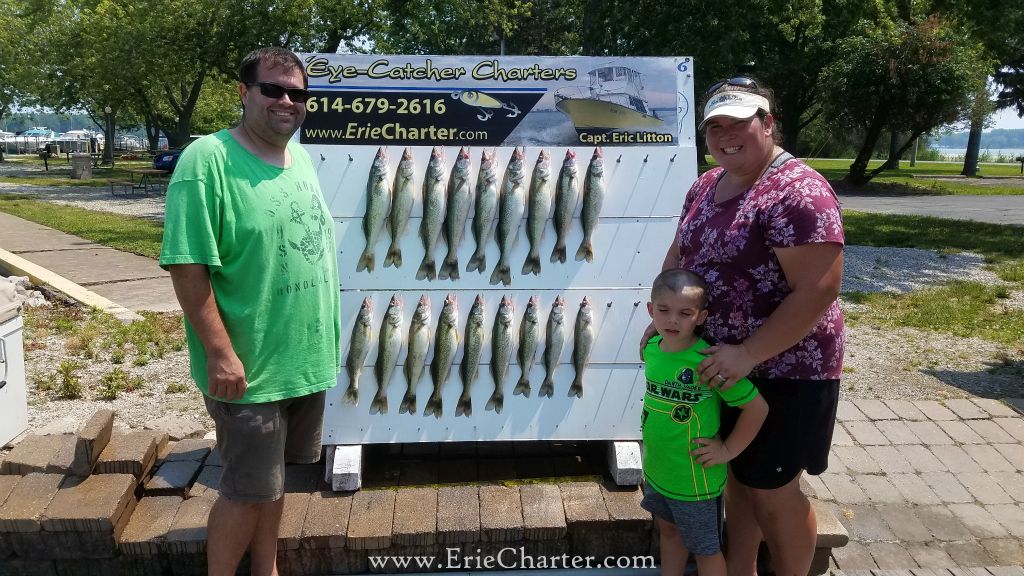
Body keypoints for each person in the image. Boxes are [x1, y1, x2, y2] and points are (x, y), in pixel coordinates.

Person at [643, 76, 845, 576]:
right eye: (715, 126)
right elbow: (680, 257)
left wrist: (748, 353)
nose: (725, 135)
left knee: (772, 490)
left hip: (786, 370)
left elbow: (820, 288)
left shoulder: (798, 190)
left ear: (768, 123)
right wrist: (666, 321)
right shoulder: (705, 185)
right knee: (734, 474)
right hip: (719, 364)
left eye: (740, 122)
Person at [159, 47, 340, 576]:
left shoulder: (297, 155)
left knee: (274, 481)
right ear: (244, 93)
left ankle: (268, 569)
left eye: (298, 93)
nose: (287, 101)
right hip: (249, 370)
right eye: (273, 90)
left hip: (301, 362)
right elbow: (187, 266)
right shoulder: (206, 161)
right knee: (242, 491)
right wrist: (219, 353)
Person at [641, 268, 769, 576]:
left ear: (701, 317)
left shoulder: (708, 362)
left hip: (694, 480)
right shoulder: (651, 349)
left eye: (685, 313)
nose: (672, 320)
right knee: (669, 533)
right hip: (658, 470)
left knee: (706, 551)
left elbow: (757, 408)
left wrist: (727, 452)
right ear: (650, 310)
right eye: (664, 310)